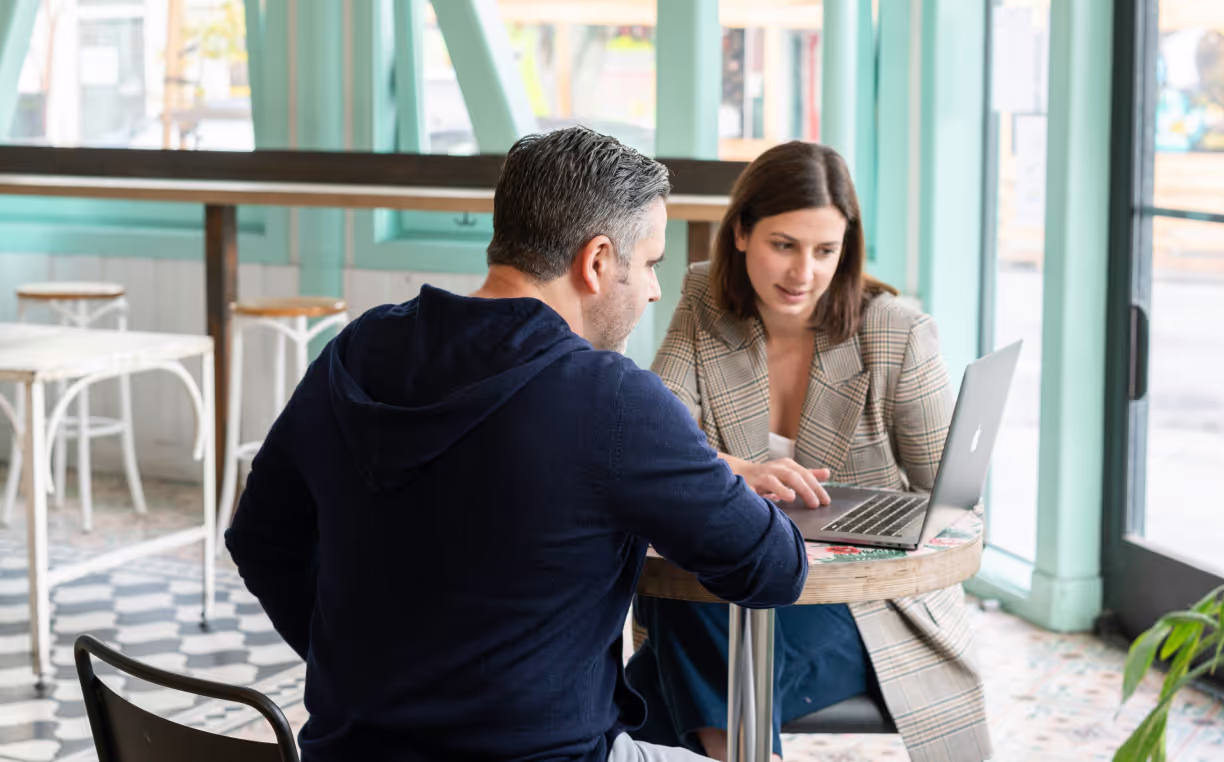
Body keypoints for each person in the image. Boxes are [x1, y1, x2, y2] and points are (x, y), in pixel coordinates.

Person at [224, 126, 811, 762]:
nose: (654, 289)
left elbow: (259, 536)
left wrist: (359, 673)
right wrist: (704, 470)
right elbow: (775, 569)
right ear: (596, 262)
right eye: (648, 264)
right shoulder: (613, 401)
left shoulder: (358, 350)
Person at [626, 142, 992, 762]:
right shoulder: (702, 299)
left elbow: (952, 502)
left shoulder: (896, 331)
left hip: (865, 607)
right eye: (784, 245)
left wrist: (856, 532)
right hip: (741, 586)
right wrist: (742, 472)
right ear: (741, 232)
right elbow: (652, 442)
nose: (804, 274)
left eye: (826, 251)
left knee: (637, 687)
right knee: (684, 612)